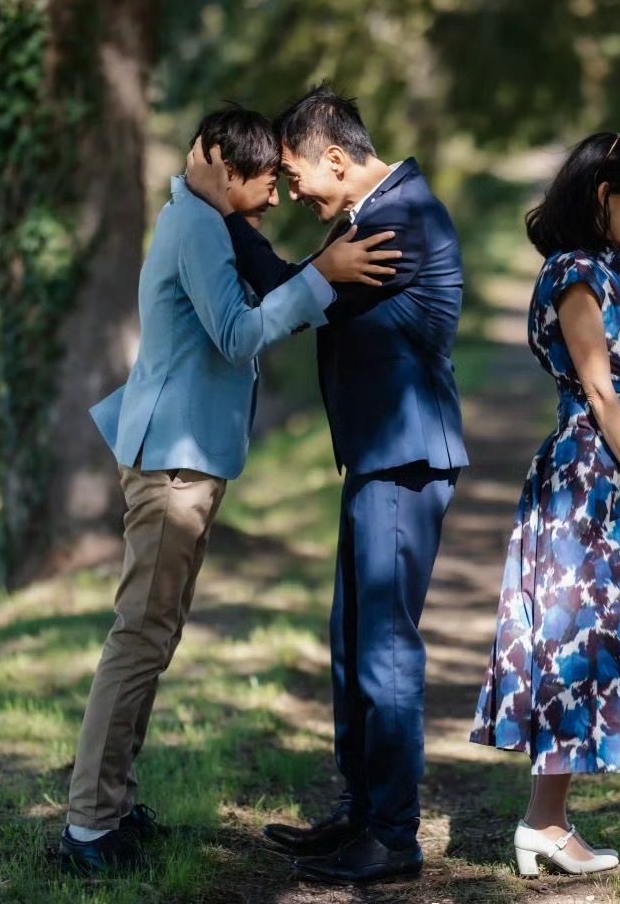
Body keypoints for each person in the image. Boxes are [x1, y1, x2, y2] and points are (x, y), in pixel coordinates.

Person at [59, 105, 396, 874]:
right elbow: (237, 333)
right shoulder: (198, 226)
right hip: (171, 461)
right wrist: (323, 276)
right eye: (265, 180)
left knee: (153, 636)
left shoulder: (202, 219)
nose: (276, 195)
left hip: (183, 455)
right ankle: (88, 828)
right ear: (221, 162)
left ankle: (111, 805)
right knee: (140, 637)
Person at [190, 85, 467, 886]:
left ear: (336, 159)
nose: (292, 191)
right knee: (352, 644)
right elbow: (309, 284)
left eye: (294, 175)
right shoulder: (369, 216)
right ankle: (359, 810)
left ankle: (393, 835)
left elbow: (293, 294)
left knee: (384, 650)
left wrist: (217, 209)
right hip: (376, 455)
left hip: (403, 458)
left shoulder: (402, 220)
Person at [470, 132, 620, 878]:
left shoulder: (606, 268)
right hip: (589, 477)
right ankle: (544, 822)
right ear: (605, 196)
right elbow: (599, 390)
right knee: (572, 641)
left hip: (604, 473)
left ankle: (547, 818)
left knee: (588, 640)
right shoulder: (576, 275)